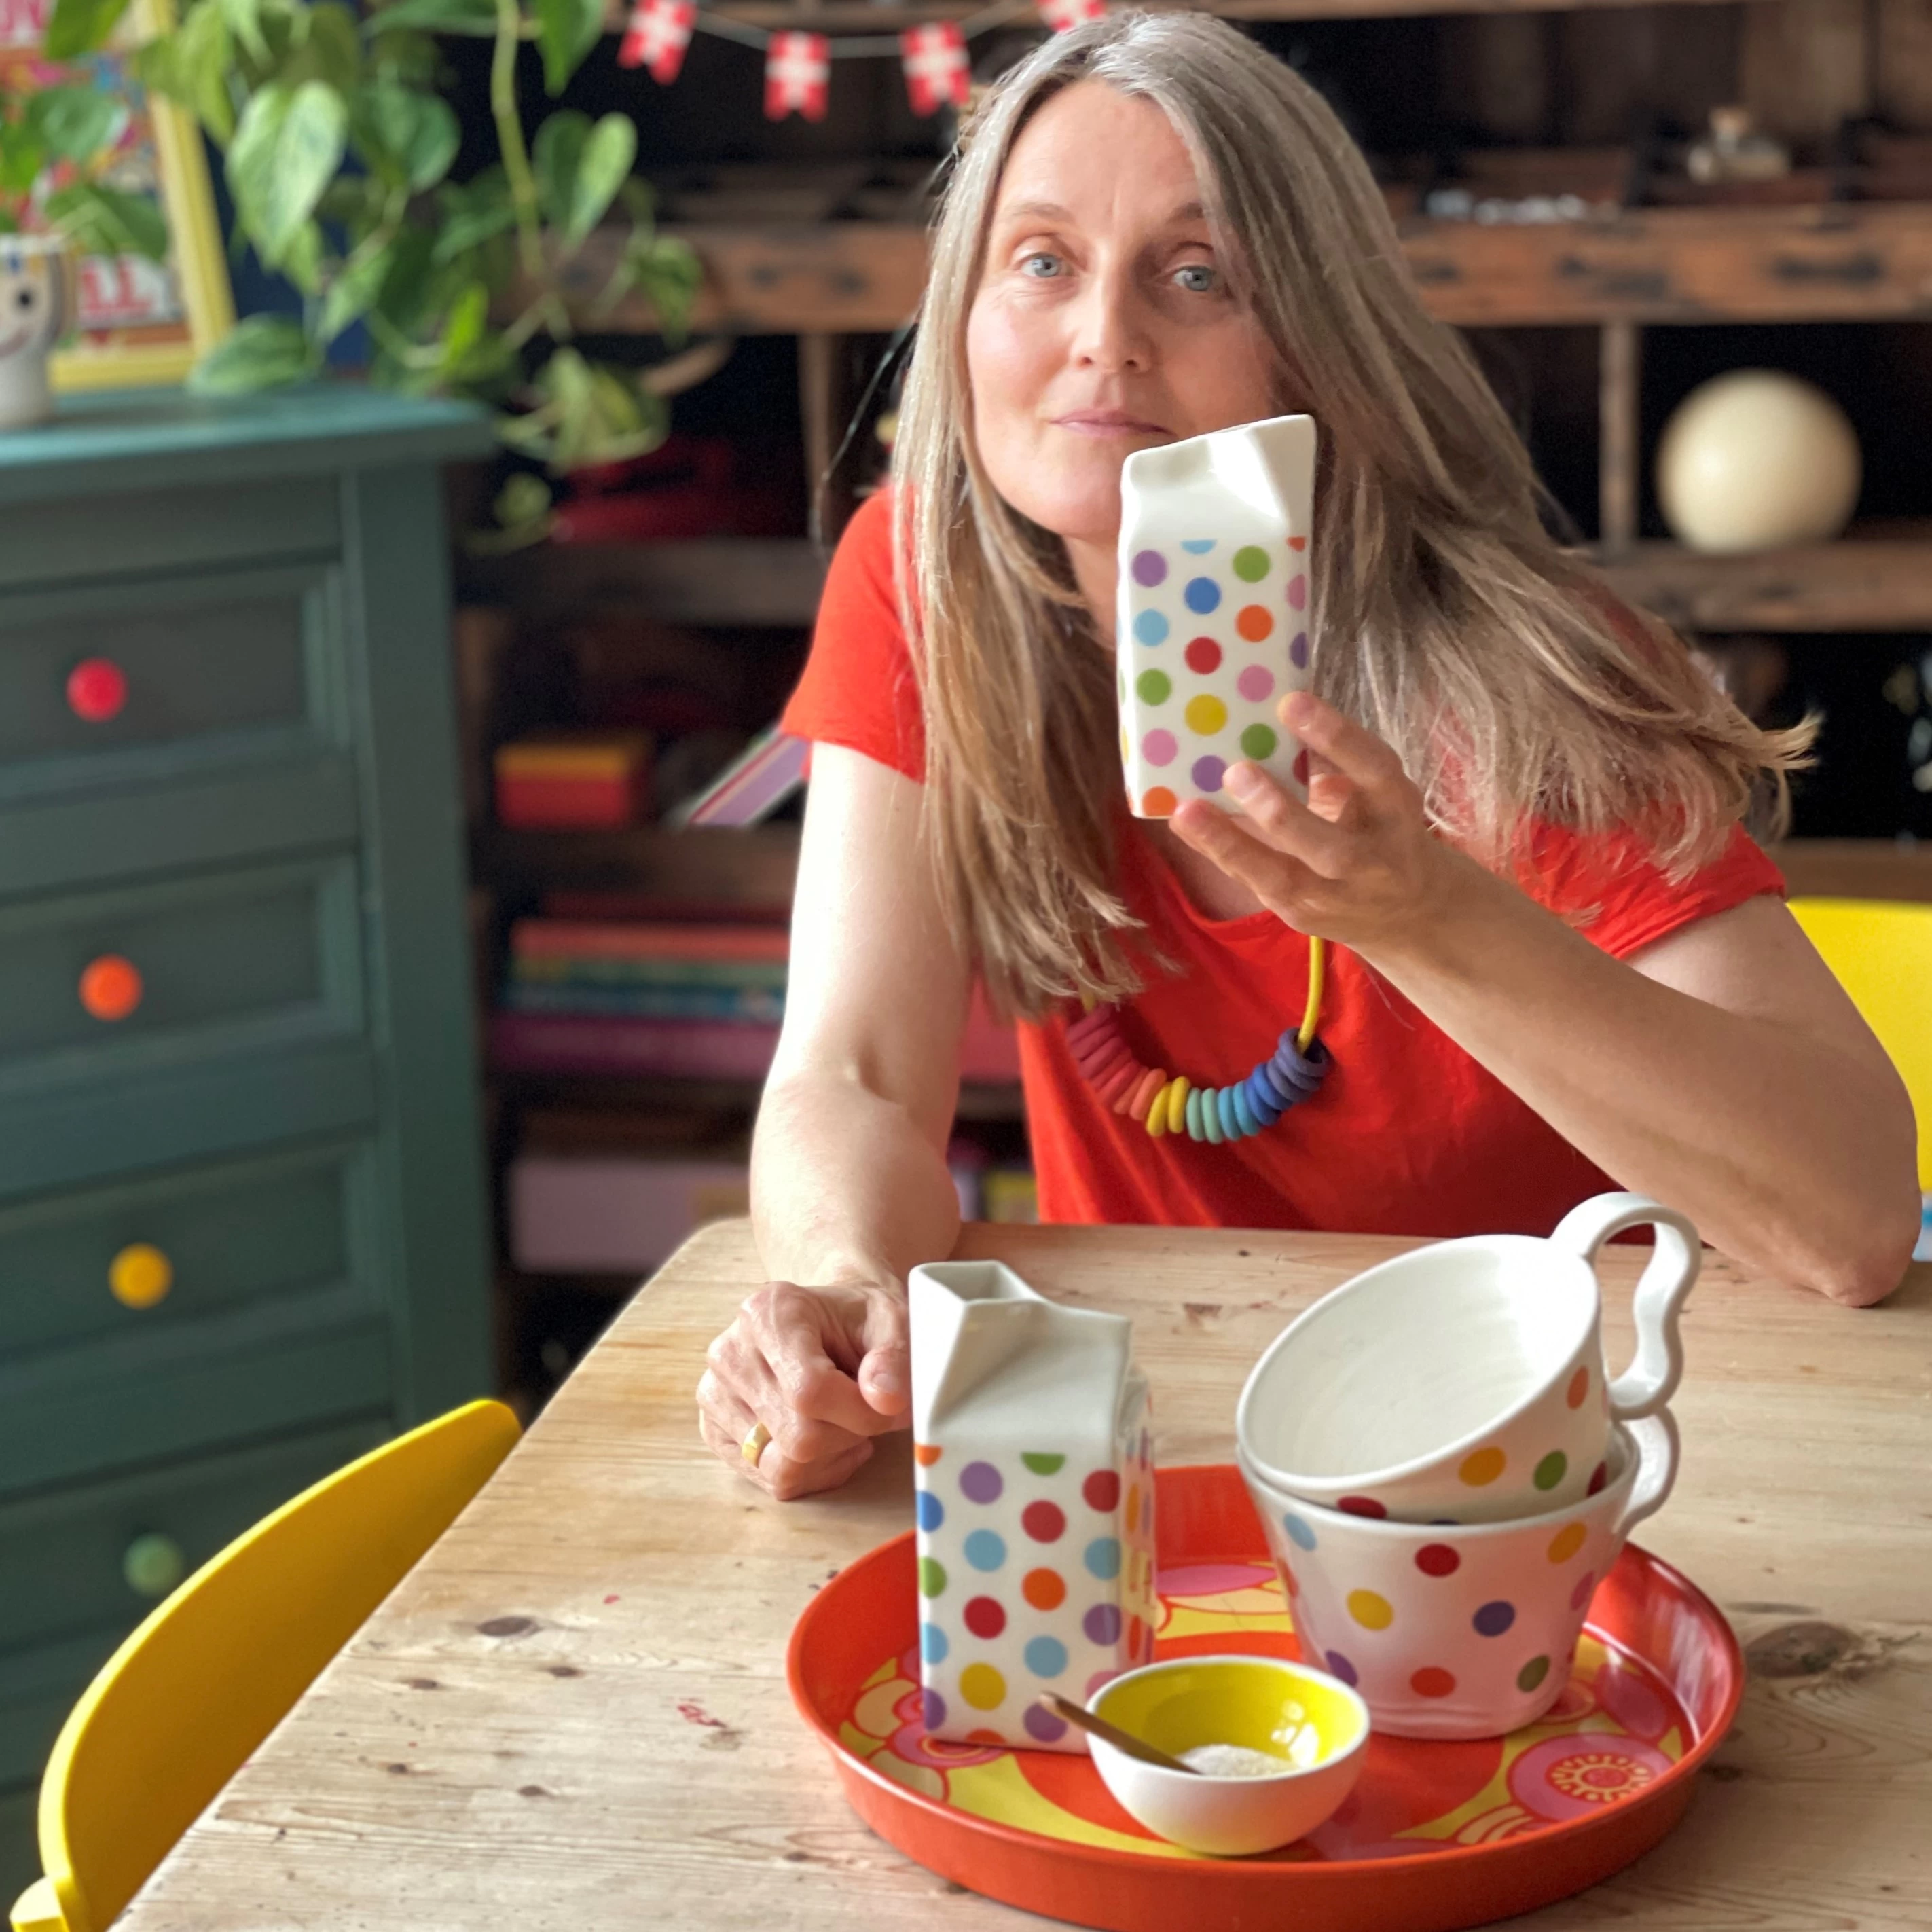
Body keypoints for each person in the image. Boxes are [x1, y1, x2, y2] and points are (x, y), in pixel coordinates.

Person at [697, 12, 1919, 1500]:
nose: (1105, 336)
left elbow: (1852, 1221)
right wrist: (841, 1295)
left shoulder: (1527, 681)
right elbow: (855, 1079)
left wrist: (1425, 916)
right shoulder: (926, 583)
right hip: (1170, 1447)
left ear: (1316, 346)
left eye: (1196, 273)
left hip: (1535, 1468)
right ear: (963, 318)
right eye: (1041, 260)